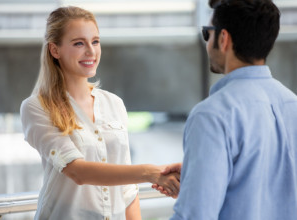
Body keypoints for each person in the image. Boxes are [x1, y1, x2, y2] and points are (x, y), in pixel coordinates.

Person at [20, 6, 180, 220]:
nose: (91, 51)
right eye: (79, 43)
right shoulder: (36, 107)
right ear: (55, 50)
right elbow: (77, 171)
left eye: (95, 41)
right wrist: (151, 173)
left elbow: (128, 190)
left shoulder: (114, 103)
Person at [156, 0, 297, 219]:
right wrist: (203, 169)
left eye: (207, 33)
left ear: (223, 39)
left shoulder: (212, 115)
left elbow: (195, 215)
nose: (207, 41)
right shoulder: (292, 105)